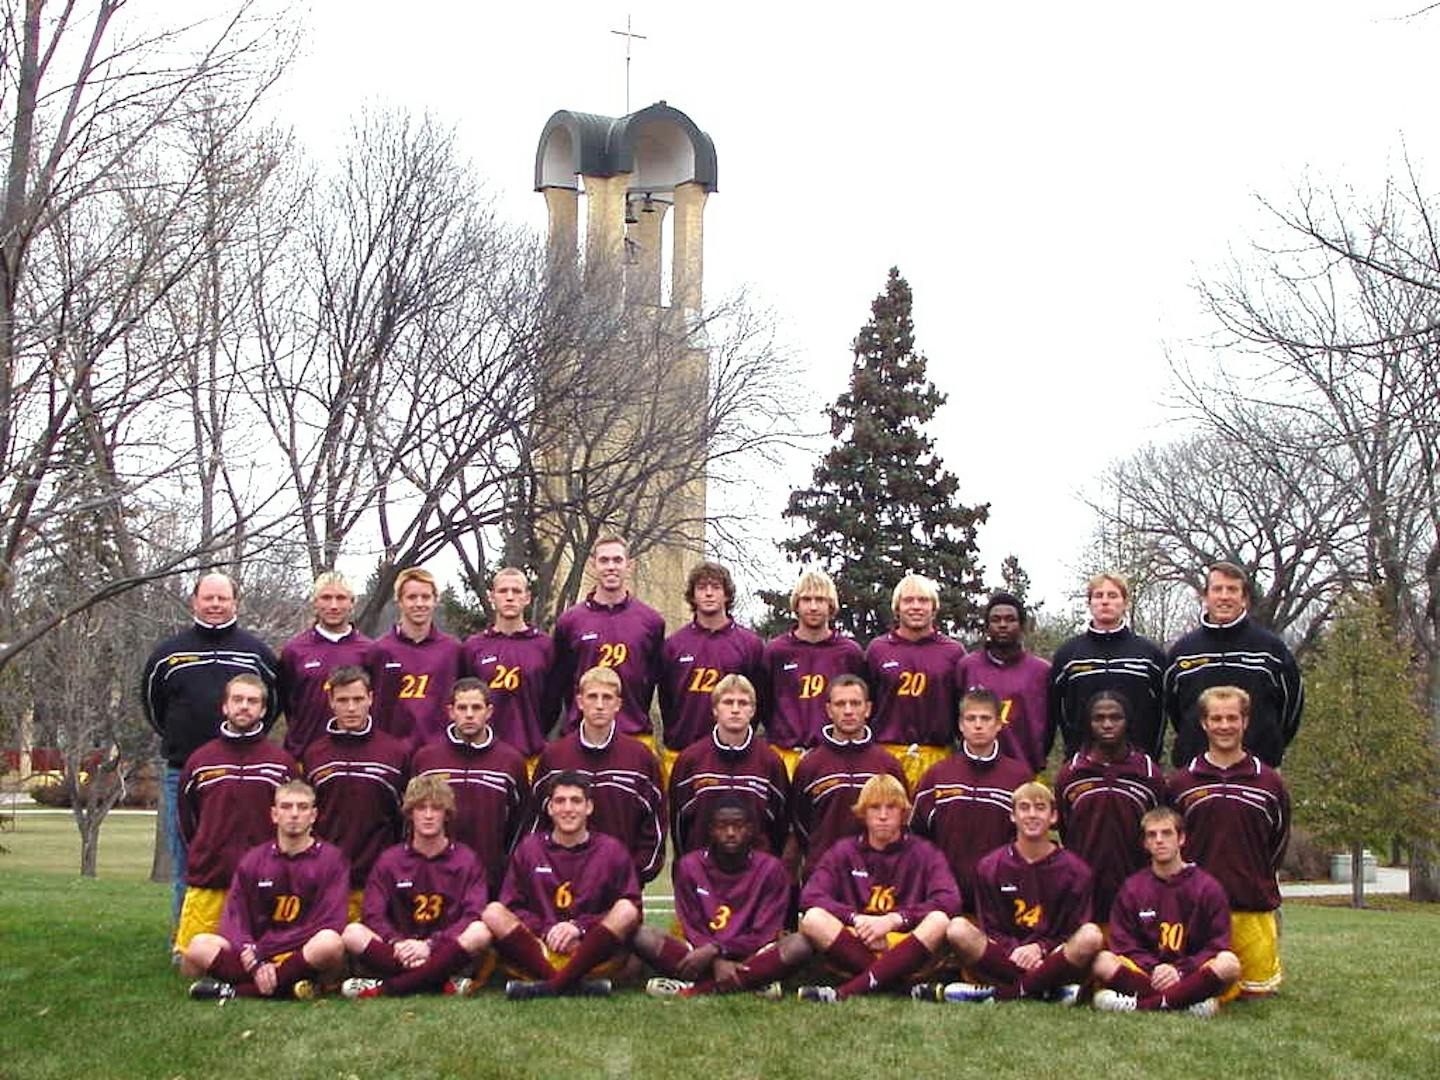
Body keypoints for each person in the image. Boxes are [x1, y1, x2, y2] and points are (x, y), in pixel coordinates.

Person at [143, 572, 279, 921]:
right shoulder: (168, 655)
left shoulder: (256, 653)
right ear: (195, 601)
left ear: (235, 602)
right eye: (209, 598)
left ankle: (245, 937)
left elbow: (273, 705)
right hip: (183, 774)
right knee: (188, 860)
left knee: (249, 860)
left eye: (223, 598)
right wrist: (183, 742)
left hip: (245, 773)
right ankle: (185, 940)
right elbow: (154, 708)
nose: (216, 605)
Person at [924, 782, 1102, 1004]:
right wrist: (1016, 951)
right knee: (957, 929)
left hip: (1051, 956)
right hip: (1005, 956)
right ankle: (1047, 991)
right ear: (1013, 816)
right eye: (1024, 808)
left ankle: (999, 994)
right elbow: (991, 928)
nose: (1032, 815)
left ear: (1054, 816)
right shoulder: (990, 866)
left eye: (1040, 807)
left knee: (1091, 936)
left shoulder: (1077, 871)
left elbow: (1073, 929)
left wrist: (1039, 949)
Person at [1167, 686, 1290, 998]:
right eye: (1216, 718)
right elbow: (1171, 845)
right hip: (1197, 911)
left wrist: (1257, 876)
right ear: (1204, 723)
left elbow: (1278, 840)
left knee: (1256, 996)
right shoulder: (1182, 782)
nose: (1224, 726)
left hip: (1252, 907)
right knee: (1203, 989)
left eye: (1232, 718)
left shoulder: (1269, 782)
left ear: (1245, 721)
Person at [793, 774, 960, 1002]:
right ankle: (902, 986)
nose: (883, 816)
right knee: (813, 918)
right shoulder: (844, 851)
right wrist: (856, 919)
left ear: (904, 813)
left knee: (940, 920)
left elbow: (949, 899)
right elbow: (810, 895)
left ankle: (846, 991)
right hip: (858, 940)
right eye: (874, 808)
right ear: (862, 813)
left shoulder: (925, 852)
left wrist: (894, 921)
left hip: (903, 941)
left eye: (891, 808)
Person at [181, 779, 347, 1001]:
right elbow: (234, 919)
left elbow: (329, 922)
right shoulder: (253, 860)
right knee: (198, 946)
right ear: (274, 814)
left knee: (330, 942)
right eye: (286, 807)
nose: (294, 814)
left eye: (303, 807)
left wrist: (266, 951)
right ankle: (290, 986)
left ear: (314, 815)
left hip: (302, 951)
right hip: (257, 953)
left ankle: (238, 990)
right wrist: (252, 954)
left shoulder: (332, 859)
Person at [484, 772, 642, 999]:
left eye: (576, 801)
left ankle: (550, 987)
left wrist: (579, 928)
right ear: (549, 808)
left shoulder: (612, 850)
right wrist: (547, 930)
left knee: (626, 909)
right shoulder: (530, 848)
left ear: (589, 807)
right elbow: (512, 906)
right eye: (560, 801)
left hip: (589, 951)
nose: (568, 808)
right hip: (541, 950)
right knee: (493, 912)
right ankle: (570, 985)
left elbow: (634, 911)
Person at [173, 674, 298, 954]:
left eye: (252, 701)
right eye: (237, 700)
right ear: (225, 707)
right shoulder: (201, 761)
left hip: (265, 882)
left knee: (265, 958)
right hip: (211, 879)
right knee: (193, 960)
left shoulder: (281, 763)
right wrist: (205, 851)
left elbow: (295, 821)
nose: (244, 707)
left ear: (264, 710)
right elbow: (186, 818)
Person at [339, 776, 494, 998]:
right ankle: (439, 981)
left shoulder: (467, 860)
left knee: (481, 932)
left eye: (436, 808)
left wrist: (430, 945)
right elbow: (372, 915)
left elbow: (472, 914)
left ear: (447, 814)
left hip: (444, 949)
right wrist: (398, 943)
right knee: (352, 933)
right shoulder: (390, 860)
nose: (428, 815)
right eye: (421, 808)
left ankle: (385, 987)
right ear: (410, 813)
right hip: (399, 949)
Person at [636, 795, 793, 997]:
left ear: (751, 829)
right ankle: (754, 982)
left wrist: (719, 950)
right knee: (641, 935)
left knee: (800, 944)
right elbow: (692, 926)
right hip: (699, 952)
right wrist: (715, 958)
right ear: (710, 830)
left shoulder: (771, 868)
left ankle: (692, 988)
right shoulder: (689, 866)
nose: (730, 833)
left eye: (738, 826)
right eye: (722, 826)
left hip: (750, 953)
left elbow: (765, 932)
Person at [1092, 806, 1240, 1016]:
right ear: (1145, 843)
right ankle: (1188, 1003)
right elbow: (1123, 943)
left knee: (1228, 964)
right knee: (1101, 961)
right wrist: (1154, 969)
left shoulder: (1208, 887)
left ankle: (1141, 1004)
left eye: (1167, 833)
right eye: (1152, 835)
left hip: (1191, 974)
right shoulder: (1132, 887)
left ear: (1181, 839)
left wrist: (1180, 970)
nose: (1159, 840)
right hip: (1146, 974)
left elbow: (1217, 944)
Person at [528, 666, 666, 883]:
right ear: (580, 702)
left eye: (607, 698)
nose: (600, 705)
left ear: (618, 704)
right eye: (593, 697)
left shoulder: (640, 758)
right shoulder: (554, 756)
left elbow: (655, 823)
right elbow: (537, 821)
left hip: (622, 883)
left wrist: (636, 873)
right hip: (562, 882)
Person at [1164, 562, 1303, 767]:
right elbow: (1174, 709)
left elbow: (1291, 708)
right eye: (1217, 589)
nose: (1224, 596)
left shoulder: (1271, 650)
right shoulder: (1182, 652)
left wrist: (1270, 745)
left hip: (1259, 771)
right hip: (1195, 772)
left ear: (1244, 598)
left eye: (1232, 590)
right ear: (1205, 597)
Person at [910, 688, 1033, 908]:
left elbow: (1029, 839)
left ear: (998, 724)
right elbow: (917, 838)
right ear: (960, 724)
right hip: (944, 894)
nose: (978, 725)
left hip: (1000, 896)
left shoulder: (1019, 777)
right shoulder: (938, 775)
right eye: (971, 718)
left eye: (985, 719)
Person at [301, 666, 407, 919]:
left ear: (370, 699)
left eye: (358, 700)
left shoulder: (394, 753)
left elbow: (404, 820)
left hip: (378, 878)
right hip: (327, 879)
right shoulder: (315, 754)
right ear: (331, 702)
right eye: (343, 700)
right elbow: (307, 819)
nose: (351, 708)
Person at [1053, 691, 1166, 924]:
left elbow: (1160, 829)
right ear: (1088, 722)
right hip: (1084, 893)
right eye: (1099, 718)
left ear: (1128, 721)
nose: (1107, 724)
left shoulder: (1148, 774)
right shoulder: (1071, 775)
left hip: (1138, 891)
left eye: (1116, 718)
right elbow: (1066, 830)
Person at [409, 678, 529, 894]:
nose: (469, 715)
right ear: (450, 711)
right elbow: (410, 821)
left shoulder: (511, 761)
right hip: (434, 877)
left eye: (476, 707)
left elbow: (520, 825)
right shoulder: (426, 759)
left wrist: (506, 867)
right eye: (462, 708)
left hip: (491, 879)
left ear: (489, 711)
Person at [552, 535, 665, 750]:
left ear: (629, 565)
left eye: (617, 560)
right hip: (580, 736)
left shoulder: (651, 622)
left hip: (635, 735)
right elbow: (562, 682)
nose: (611, 567)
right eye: (604, 561)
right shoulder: (570, 621)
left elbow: (652, 681)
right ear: (592, 565)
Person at [790, 674, 907, 878]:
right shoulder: (810, 765)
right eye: (840, 704)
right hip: (824, 875)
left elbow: (902, 820)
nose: (848, 711)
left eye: (855, 703)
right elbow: (801, 823)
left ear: (868, 709)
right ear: (829, 710)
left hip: (879, 877)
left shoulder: (888, 765)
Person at [657, 562, 765, 776]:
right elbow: (667, 701)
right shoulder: (674, 645)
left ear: (726, 594)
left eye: (715, 587)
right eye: (701, 587)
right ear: (692, 595)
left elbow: (758, 699)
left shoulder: (749, 644)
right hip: (681, 750)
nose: (708, 593)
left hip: (733, 755)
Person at [1048, 572, 1166, 759]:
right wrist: (1073, 751)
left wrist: (1151, 756)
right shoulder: (1068, 655)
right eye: (1098, 596)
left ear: (1125, 603)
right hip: (1083, 763)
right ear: (1089, 603)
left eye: (1112, 596)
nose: (1105, 602)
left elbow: (1162, 712)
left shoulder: (1149, 654)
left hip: (1137, 763)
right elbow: (1058, 711)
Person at [668, 674, 790, 856]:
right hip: (702, 870)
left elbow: (780, 825)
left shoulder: (770, 761)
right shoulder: (691, 760)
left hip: (757, 873)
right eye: (728, 702)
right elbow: (679, 824)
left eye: (743, 703)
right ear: (715, 709)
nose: (735, 709)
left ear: (753, 710)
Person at [864, 574, 966, 790]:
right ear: (897, 607)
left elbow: (962, 710)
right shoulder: (878, 650)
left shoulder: (953, 652)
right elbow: (866, 704)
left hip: (937, 756)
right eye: (909, 600)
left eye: (923, 600)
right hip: (886, 755)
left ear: (934, 607)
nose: (916, 607)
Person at [760, 568, 866, 777]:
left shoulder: (849, 653)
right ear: (796, 605)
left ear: (831, 605)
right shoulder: (776, 651)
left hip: (836, 757)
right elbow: (764, 704)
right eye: (807, 600)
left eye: (820, 599)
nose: (814, 606)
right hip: (786, 757)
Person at [461, 567, 557, 770]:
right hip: (482, 756)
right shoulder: (473, 646)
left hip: (532, 755)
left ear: (527, 598)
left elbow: (552, 704)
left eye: (516, 591)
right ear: (492, 597)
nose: (510, 597)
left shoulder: (545, 645)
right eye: (503, 591)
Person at [365, 567, 465, 750]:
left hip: (441, 754)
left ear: (435, 600)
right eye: (411, 597)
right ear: (400, 602)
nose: (419, 603)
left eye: (426, 597)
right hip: (390, 753)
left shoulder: (453, 650)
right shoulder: (379, 650)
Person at [955, 592, 1052, 775]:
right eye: (996, 620)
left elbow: (1049, 725)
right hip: (973, 770)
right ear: (987, 626)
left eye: (1010, 619)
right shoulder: (967, 666)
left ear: (1022, 626)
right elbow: (955, 717)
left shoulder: (1042, 671)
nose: (1002, 625)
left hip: (1026, 770)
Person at [276, 572, 371, 758]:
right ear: (315, 602)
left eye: (341, 598)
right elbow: (286, 702)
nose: (333, 606)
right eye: (326, 598)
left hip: (357, 755)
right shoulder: (294, 650)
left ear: (352, 603)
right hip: (304, 755)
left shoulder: (370, 651)